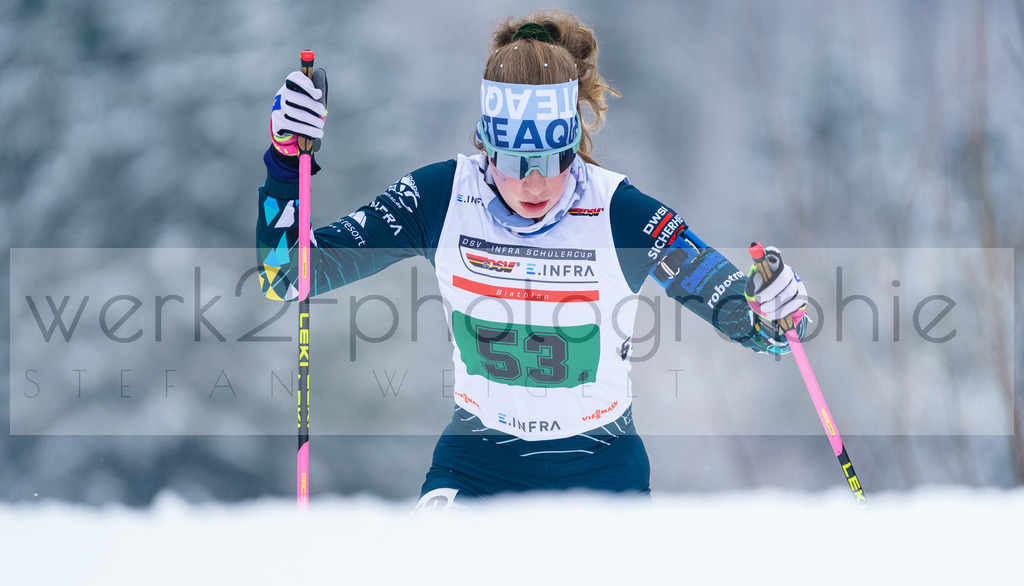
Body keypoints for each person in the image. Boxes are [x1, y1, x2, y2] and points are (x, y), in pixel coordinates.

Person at [256, 9, 807, 512]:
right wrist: (286, 161)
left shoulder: (620, 212)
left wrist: (776, 310)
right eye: (516, 159)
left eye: (550, 157)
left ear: (573, 144)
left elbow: (746, 315)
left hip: (602, 471)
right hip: (475, 466)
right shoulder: (441, 197)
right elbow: (288, 275)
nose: (534, 181)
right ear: (486, 146)